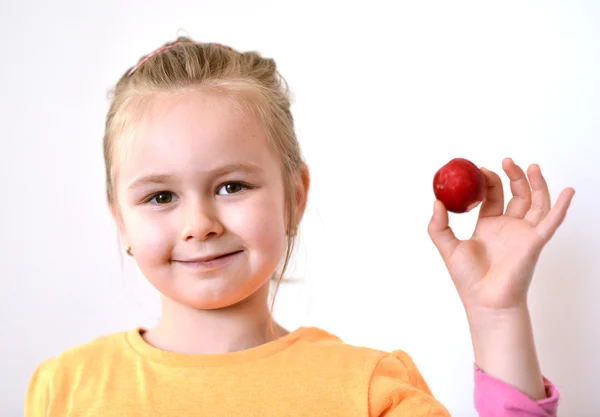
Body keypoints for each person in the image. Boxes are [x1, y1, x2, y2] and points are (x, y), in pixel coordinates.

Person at [24, 37, 575, 416]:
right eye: (160, 196)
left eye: (231, 186)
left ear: (294, 196)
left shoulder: (367, 390)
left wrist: (496, 314)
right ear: (120, 220)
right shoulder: (65, 389)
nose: (199, 224)